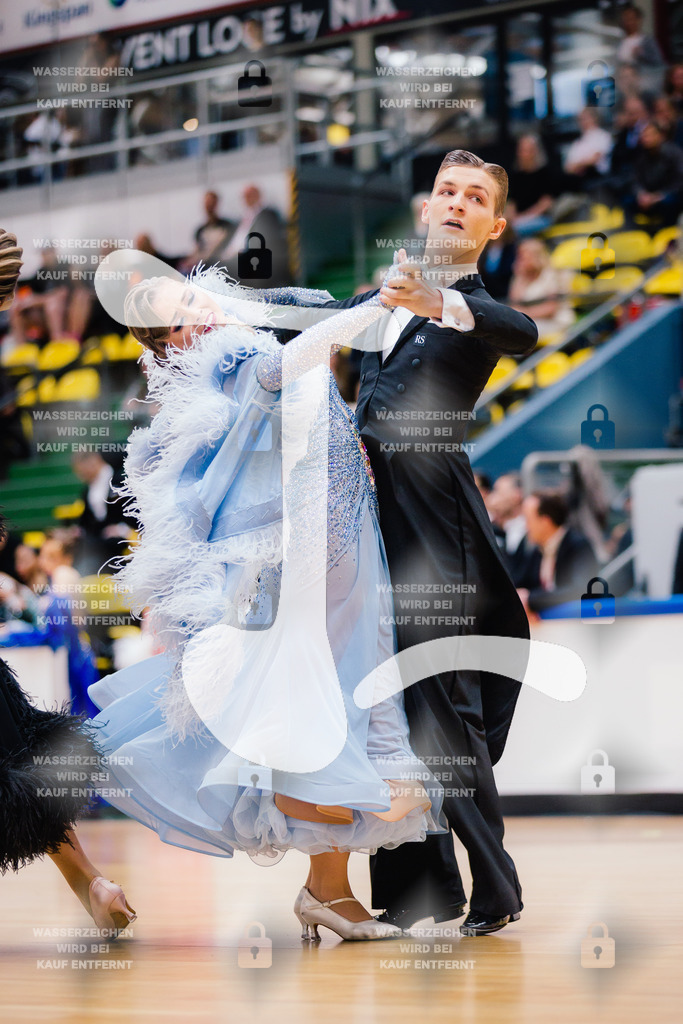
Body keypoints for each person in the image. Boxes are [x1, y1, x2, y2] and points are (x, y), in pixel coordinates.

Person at [84, 269, 448, 942]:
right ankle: (328, 894)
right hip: (314, 557)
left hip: (342, 542)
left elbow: (311, 328)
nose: (202, 310)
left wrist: (369, 301)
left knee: (348, 707)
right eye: (183, 313)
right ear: (174, 340)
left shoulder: (239, 337)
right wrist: (369, 311)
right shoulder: (230, 363)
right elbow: (294, 360)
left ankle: (327, 892)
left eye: (197, 295)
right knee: (335, 710)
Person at [311, 150, 538, 936]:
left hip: (435, 531)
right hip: (371, 526)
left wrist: (438, 299)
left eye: (474, 198)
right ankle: (417, 889)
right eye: (446, 190)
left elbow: (525, 329)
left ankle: (496, 888)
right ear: (424, 208)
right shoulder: (381, 300)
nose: (456, 203)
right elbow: (315, 323)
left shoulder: (472, 309)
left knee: (443, 709)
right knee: (389, 707)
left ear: (491, 226)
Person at [516, 490, 599, 616]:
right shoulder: (536, 552)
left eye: (528, 520)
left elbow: (582, 591)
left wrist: (531, 600)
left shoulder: (579, 545)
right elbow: (519, 584)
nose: (525, 527)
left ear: (545, 521)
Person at [507, 238, 575, 341]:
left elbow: (550, 309)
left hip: (554, 321)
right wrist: (521, 278)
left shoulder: (552, 274)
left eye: (524, 256)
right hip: (530, 321)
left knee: (517, 333)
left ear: (535, 256)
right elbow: (514, 304)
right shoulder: (520, 277)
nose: (520, 260)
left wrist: (523, 314)